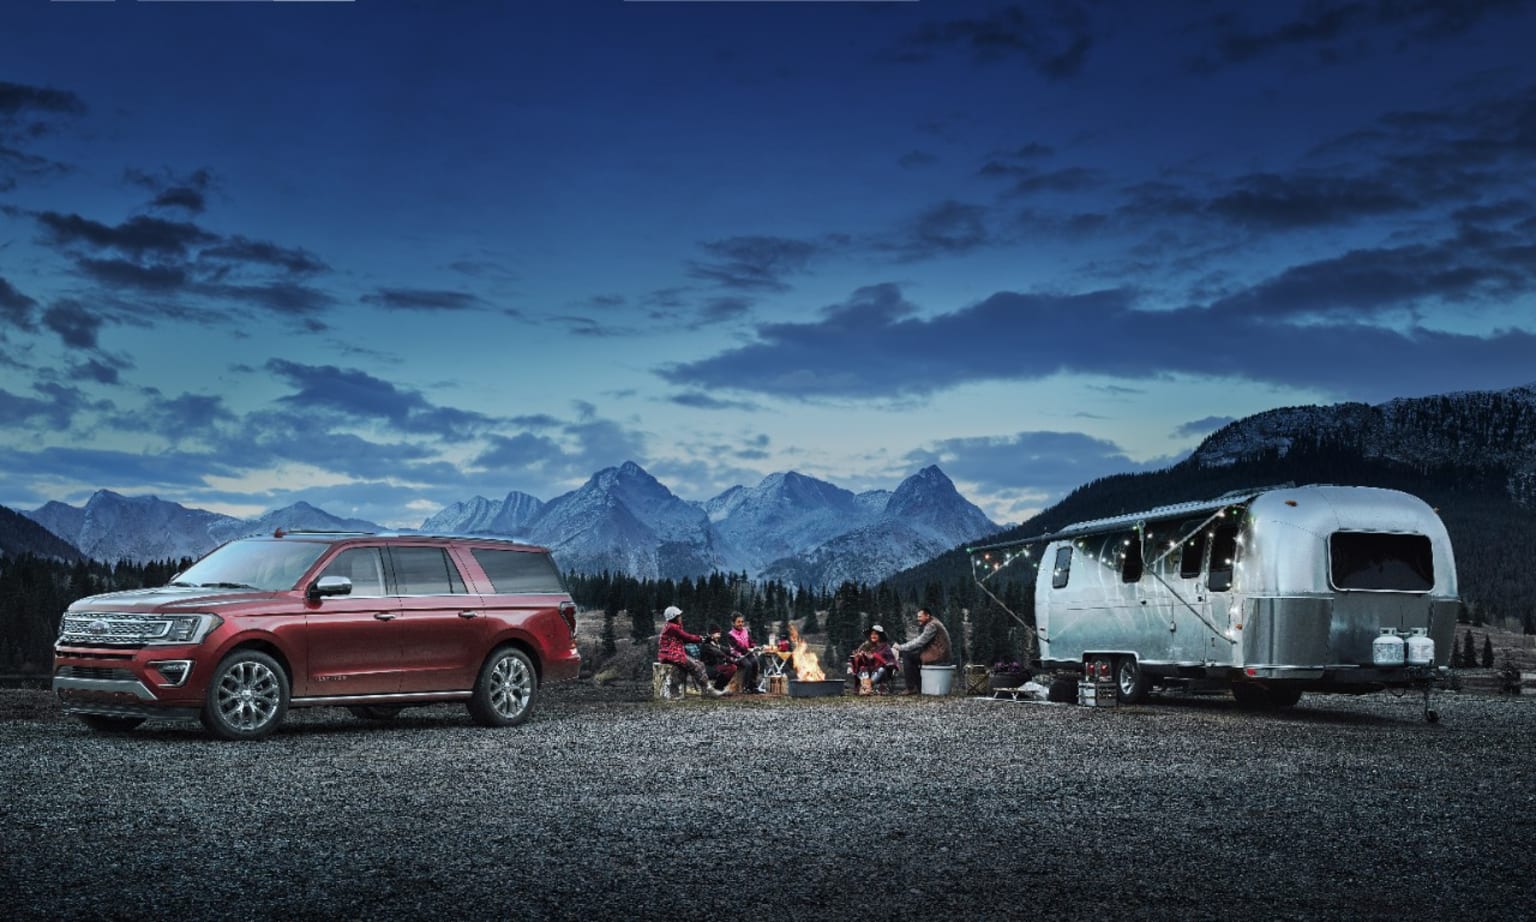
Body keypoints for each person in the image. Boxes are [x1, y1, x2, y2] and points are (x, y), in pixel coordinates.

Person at [657, 606, 726, 698]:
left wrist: (701, 639)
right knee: (696, 666)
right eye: (679, 616)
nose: (681, 618)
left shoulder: (671, 627)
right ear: (674, 617)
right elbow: (687, 637)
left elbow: (684, 639)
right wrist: (703, 639)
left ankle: (705, 689)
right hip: (672, 655)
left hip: (671, 654)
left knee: (699, 664)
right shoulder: (673, 627)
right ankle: (708, 690)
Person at [891, 607, 951, 695]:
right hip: (938, 653)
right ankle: (918, 686)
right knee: (912, 655)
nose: (918, 619)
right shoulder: (934, 623)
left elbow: (919, 642)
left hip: (938, 655)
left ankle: (911, 687)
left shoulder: (932, 625)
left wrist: (900, 647)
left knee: (907, 655)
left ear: (927, 616)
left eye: (920, 616)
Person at [848, 624, 897, 695]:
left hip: (881, 671)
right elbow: (858, 656)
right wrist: (860, 657)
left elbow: (890, 661)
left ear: (880, 636)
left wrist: (875, 657)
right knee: (862, 668)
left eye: (876, 634)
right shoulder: (865, 645)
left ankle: (866, 686)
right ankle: (867, 688)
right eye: (872, 634)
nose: (873, 636)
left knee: (881, 670)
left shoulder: (885, 647)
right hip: (868, 669)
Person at [725, 612, 761, 693]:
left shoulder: (746, 631)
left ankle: (753, 686)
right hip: (737, 656)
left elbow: (750, 641)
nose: (741, 624)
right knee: (748, 665)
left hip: (747, 654)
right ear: (733, 623)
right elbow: (737, 647)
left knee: (755, 663)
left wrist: (754, 646)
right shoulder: (730, 635)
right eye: (738, 622)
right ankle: (745, 687)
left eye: (742, 622)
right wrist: (748, 650)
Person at [698, 623, 739, 692]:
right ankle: (718, 688)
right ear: (711, 634)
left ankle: (719, 687)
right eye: (717, 633)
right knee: (732, 668)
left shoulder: (714, 643)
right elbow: (719, 653)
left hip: (714, 667)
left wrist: (736, 652)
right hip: (707, 668)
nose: (719, 635)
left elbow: (725, 649)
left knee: (732, 667)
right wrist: (730, 659)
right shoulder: (707, 644)